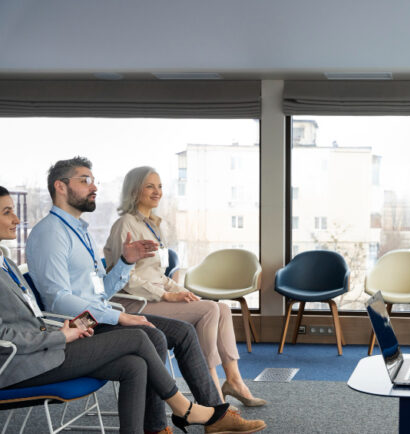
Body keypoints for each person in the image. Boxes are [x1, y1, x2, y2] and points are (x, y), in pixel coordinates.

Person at [24, 157, 266, 434]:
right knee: (151, 335)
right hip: (79, 326)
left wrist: (126, 262)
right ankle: (164, 422)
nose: (94, 187)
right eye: (84, 180)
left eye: (94, 180)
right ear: (61, 186)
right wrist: (119, 316)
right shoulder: (50, 234)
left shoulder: (80, 231)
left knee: (184, 332)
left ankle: (214, 413)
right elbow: (58, 299)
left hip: (98, 315)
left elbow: (99, 290)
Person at [103, 166, 265, 407]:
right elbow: (125, 278)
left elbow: (158, 273)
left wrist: (179, 291)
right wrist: (166, 295)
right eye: (150, 186)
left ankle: (234, 380)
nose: (157, 192)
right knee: (210, 310)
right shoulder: (125, 225)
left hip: (155, 297)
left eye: (159, 186)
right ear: (135, 190)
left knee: (220, 309)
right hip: (133, 303)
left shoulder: (151, 225)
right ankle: (210, 389)